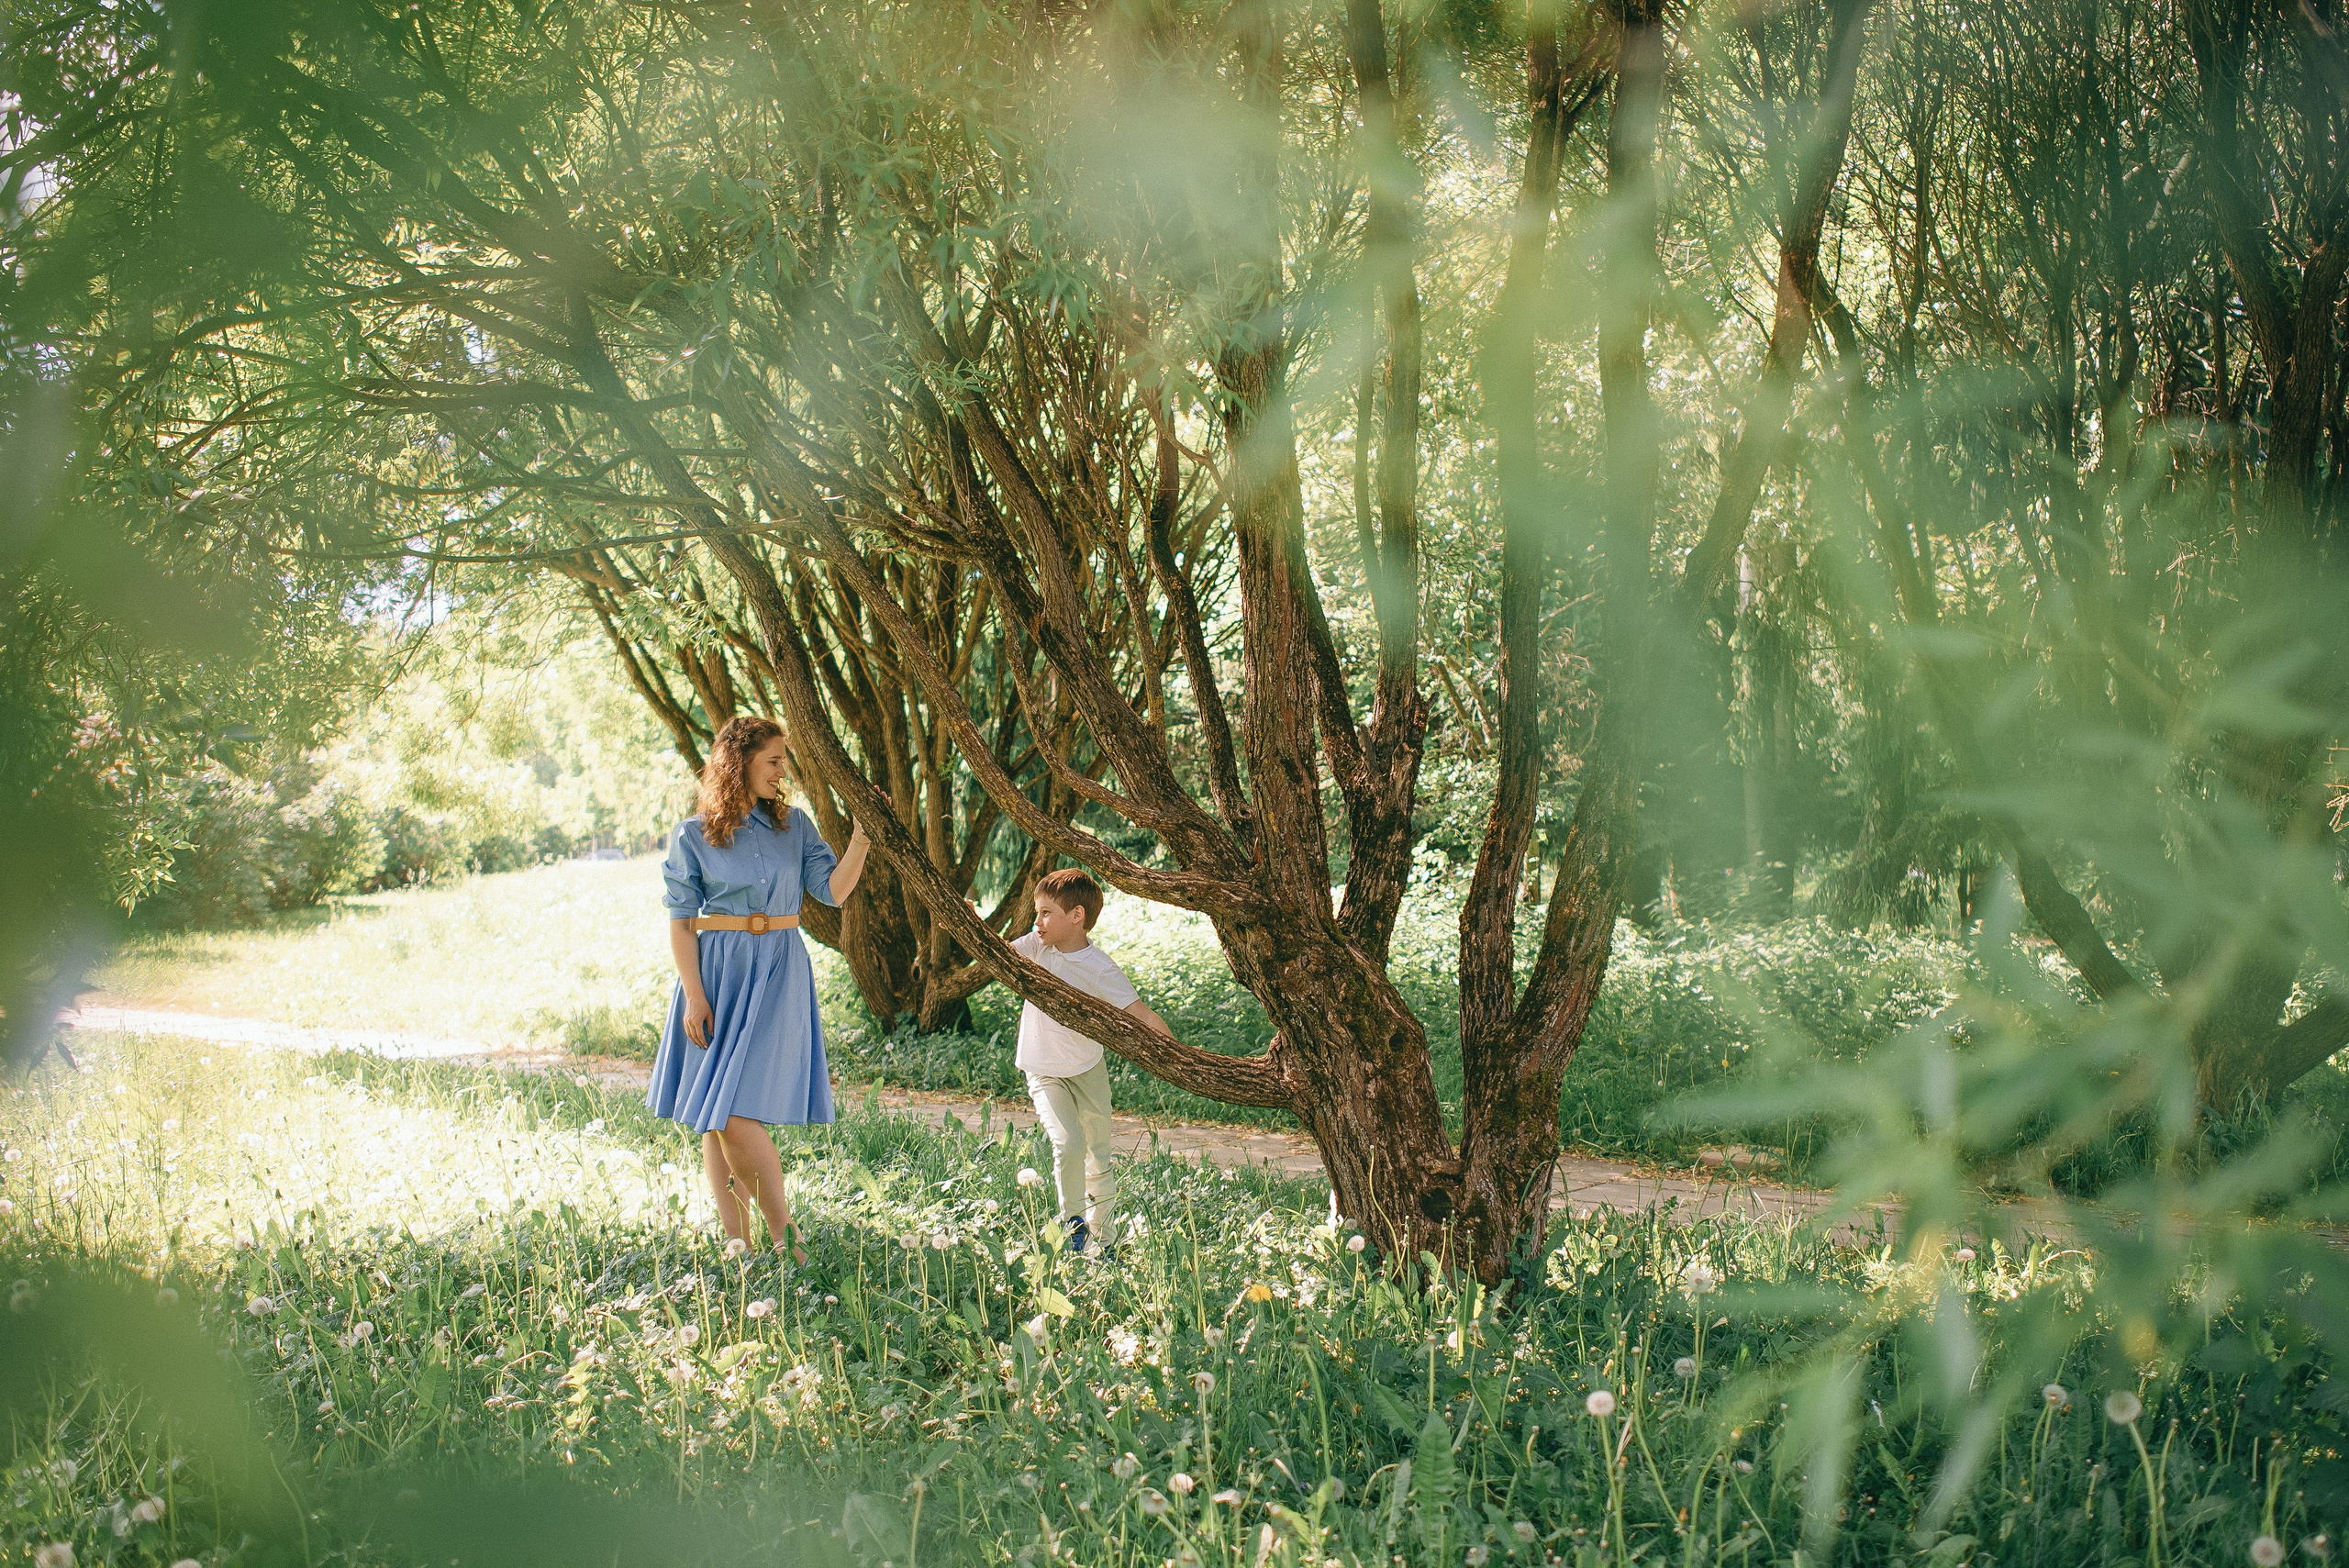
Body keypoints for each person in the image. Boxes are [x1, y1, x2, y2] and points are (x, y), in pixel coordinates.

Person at [647, 714, 869, 1260]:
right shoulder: (693, 834)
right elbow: (680, 921)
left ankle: (782, 1238)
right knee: (716, 1109)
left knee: (733, 1110)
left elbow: (833, 891)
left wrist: (863, 837)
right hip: (718, 972)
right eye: (773, 760)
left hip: (779, 971)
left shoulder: (794, 826)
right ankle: (738, 1240)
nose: (781, 770)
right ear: (739, 761)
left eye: (783, 760)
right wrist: (694, 995)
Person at [1004, 868, 1174, 1258]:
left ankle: (1106, 1237)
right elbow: (994, 954)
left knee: (1099, 1152)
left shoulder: (1099, 967)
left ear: (1076, 916)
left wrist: (1179, 1056)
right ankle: (1073, 1225)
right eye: (1037, 912)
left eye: (1046, 912)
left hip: (1087, 1069)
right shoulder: (1035, 947)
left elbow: (1138, 1012)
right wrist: (971, 925)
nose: (1037, 921)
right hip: (1043, 1069)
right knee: (1068, 1143)